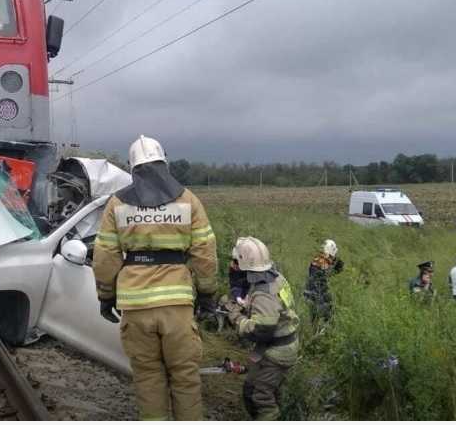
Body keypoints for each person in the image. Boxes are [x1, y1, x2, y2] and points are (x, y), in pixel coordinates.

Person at [92, 135, 217, 421]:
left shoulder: (117, 204)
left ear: (132, 167)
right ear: (164, 162)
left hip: (135, 308)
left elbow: (105, 256)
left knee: (148, 378)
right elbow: (205, 252)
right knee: (185, 378)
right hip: (177, 306)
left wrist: (105, 295)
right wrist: (208, 294)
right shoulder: (188, 200)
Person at [225, 237, 300, 421]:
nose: (235, 267)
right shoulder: (276, 278)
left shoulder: (263, 292)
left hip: (276, 351)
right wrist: (246, 306)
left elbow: (260, 331)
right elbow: (272, 308)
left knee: (260, 398)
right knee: (252, 389)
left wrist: (236, 317)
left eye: (237, 263)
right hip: (281, 344)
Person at [303, 239, 344, 328]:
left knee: (315, 321)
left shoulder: (318, 260)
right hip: (317, 295)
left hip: (311, 295)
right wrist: (337, 265)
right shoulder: (321, 263)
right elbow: (328, 272)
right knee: (326, 319)